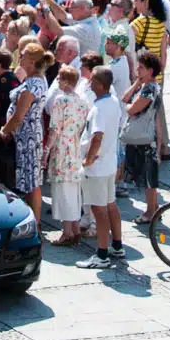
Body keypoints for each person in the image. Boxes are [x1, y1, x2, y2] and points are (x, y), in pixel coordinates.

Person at [77, 66, 126, 269]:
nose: (89, 83)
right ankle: (117, 245)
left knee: (99, 210)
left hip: (97, 167)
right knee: (110, 205)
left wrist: (88, 160)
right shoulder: (113, 102)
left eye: (93, 81)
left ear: (99, 85)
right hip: (108, 164)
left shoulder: (98, 108)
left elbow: (97, 136)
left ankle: (102, 255)